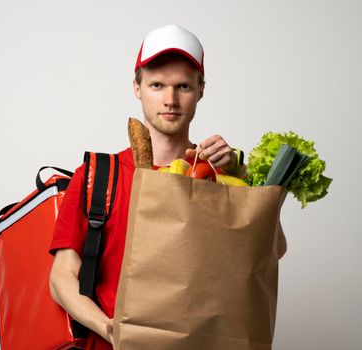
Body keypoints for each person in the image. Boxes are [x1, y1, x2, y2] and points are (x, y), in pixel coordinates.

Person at [48, 24, 287, 350]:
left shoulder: (218, 177)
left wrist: (239, 176)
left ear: (201, 89)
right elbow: (61, 277)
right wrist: (108, 328)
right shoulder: (98, 175)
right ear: (137, 87)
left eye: (184, 86)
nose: (170, 99)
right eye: (157, 85)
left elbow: (273, 252)